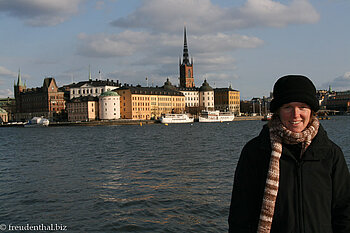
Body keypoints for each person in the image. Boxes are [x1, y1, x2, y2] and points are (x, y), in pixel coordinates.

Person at [228, 75, 350, 233]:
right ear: (278, 111)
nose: (295, 114)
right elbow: (240, 215)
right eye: (288, 107)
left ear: (311, 111)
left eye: (302, 107)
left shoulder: (330, 154)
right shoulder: (256, 152)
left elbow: (345, 212)